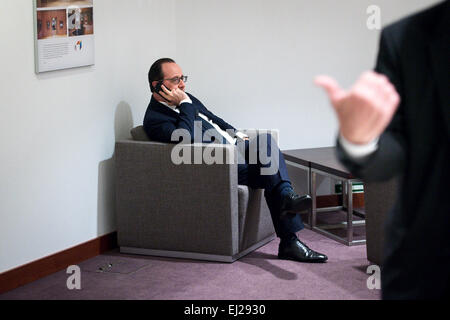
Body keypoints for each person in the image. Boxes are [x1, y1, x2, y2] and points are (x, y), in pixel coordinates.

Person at [315, 0, 449, 299]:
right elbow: (393, 146)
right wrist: (360, 139)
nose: (182, 83)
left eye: (183, 78)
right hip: (431, 261)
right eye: (180, 78)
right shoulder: (405, 38)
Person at [144, 58, 328, 263]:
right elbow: (184, 139)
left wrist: (239, 136)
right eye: (176, 79)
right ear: (157, 85)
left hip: (237, 148)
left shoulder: (187, 97)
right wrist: (184, 104)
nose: (183, 84)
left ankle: (286, 203)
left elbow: (213, 118)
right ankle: (289, 236)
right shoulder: (154, 119)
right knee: (271, 172)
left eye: (183, 78)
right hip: (220, 164)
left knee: (266, 141)